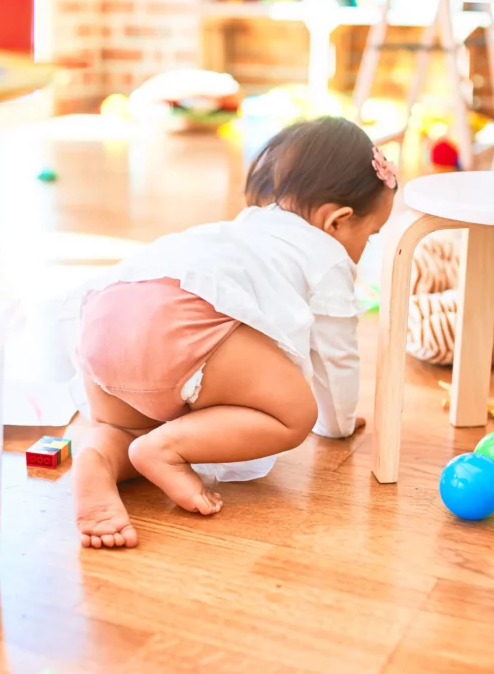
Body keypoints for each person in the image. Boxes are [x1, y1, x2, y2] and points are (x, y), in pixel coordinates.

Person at [63, 116, 397, 548]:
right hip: (175, 323)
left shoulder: (245, 228)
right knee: (295, 410)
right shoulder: (327, 256)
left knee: (127, 431)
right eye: (370, 237)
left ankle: (98, 457)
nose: (364, 250)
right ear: (337, 220)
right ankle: (164, 449)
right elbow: (336, 357)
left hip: (105, 319)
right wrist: (338, 424)